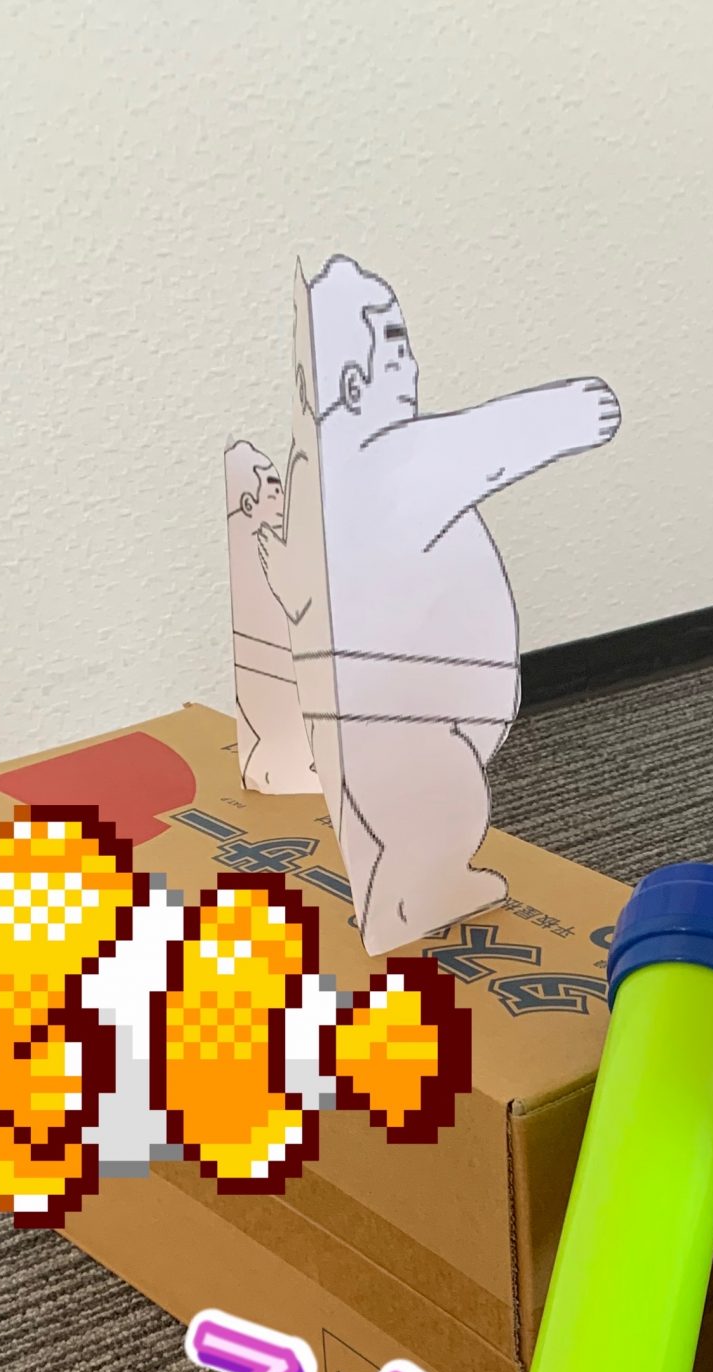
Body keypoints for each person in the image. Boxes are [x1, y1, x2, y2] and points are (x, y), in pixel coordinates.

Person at [260, 256, 620, 950]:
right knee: (443, 811)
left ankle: (405, 887)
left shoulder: (316, 476)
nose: (412, 361)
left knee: (410, 811)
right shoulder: (388, 462)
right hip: (405, 723)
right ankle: (415, 897)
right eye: (394, 343)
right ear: (354, 380)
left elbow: (299, 585)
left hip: (359, 716)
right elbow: (482, 444)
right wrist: (571, 413)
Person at [224, 440, 320, 794]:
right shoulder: (259, 553)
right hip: (279, 751)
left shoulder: (279, 547)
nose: (282, 499)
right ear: (249, 503)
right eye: (274, 488)